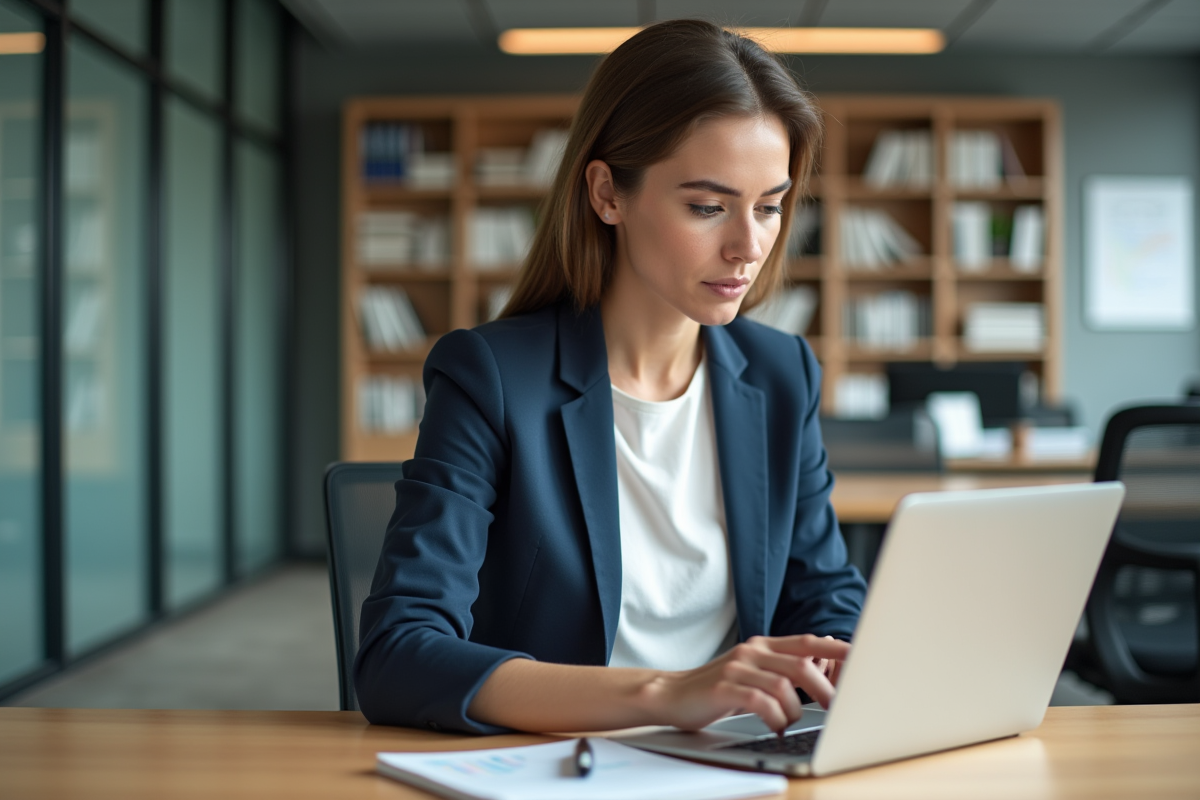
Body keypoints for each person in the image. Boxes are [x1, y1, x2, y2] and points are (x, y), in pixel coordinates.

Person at [354, 19, 867, 737]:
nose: (748, 246)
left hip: (739, 762)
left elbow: (824, 598)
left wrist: (846, 663)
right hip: (568, 763)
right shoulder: (493, 378)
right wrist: (665, 694)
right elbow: (398, 654)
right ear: (607, 194)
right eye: (707, 206)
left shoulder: (783, 375)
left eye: (771, 205)